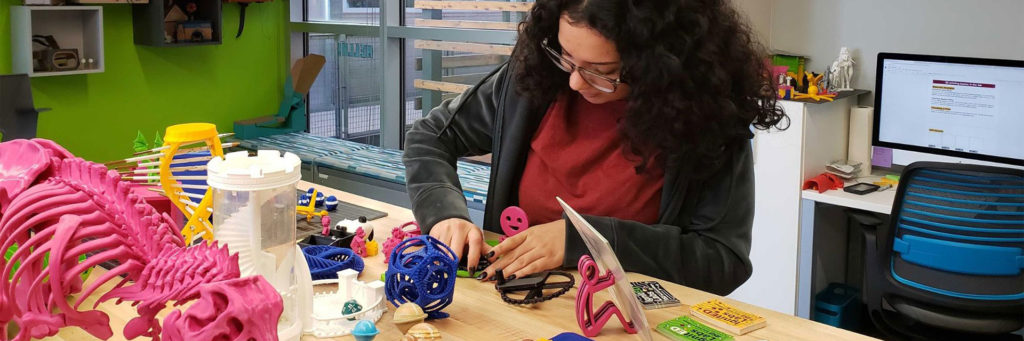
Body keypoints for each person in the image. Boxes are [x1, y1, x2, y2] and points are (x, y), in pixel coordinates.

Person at [402, 0, 786, 295]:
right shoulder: (534, 77)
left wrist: (586, 240)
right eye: (567, 57)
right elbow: (430, 136)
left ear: (660, 63)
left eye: (602, 72)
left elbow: (722, 261)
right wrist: (444, 214)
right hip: (514, 305)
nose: (575, 83)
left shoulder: (708, 119)